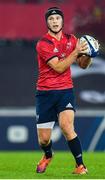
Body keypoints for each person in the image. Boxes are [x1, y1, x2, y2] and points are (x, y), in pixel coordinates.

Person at [35, 7, 90, 174]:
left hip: (65, 90)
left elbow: (83, 65)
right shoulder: (43, 43)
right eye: (51, 19)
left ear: (62, 21)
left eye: (57, 18)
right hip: (45, 93)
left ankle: (80, 165)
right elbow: (58, 67)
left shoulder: (72, 39)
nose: (54, 21)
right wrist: (76, 52)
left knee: (67, 127)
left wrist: (89, 54)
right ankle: (48, 154)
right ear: (47, 23)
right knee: (44, 140)